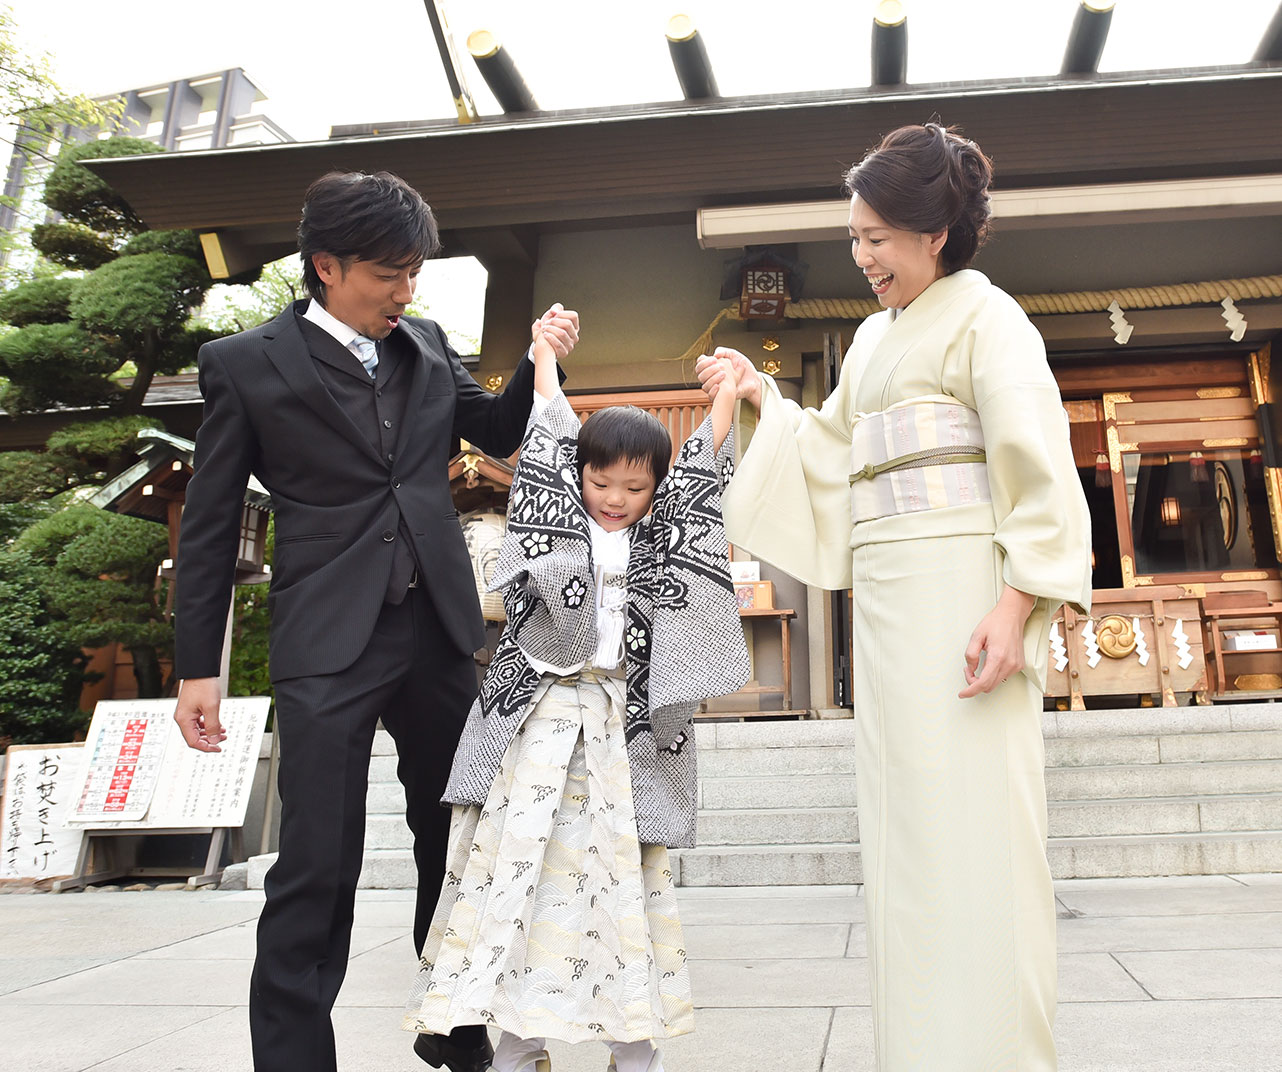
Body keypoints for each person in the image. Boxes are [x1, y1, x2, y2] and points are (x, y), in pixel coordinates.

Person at [696, 123, 1092, 1071]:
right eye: (855, 237)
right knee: (905, 834)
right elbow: (833, 452)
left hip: (963, 592)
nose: (862, 256)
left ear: (934, 233)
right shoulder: (874, 340)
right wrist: (760, 398)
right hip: (886, 599)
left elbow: (1038, 465)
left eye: (877, 237)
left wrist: (1016, 605)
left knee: (976, 827)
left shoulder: (989, 318)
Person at [171, 169, 580, 1072]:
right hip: (325, 636)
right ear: (326, 266)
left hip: (437, 627)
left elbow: (496, 430)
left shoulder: (425, 343)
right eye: (389, 273)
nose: (406, 290)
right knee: (317, 857)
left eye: (415, 272)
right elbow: (209, 523)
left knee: (460, 835)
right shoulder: (244, 364)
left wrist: (540, 359)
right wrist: (199, 665)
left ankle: (455, 1027)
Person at [403, 329, 750, 1072]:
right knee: (518, 867)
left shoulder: (667, 528)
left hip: (624, 724)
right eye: (601, 482)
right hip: (543, 716)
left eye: (635, 487)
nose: (616, 499)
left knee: (624, 876)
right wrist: (542, 357)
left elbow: (701, 467)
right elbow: (550, 422)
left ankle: (633, 1043)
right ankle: (519, 1040)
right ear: (577, 473)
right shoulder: (555, 514)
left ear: (656, 487)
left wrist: (724, 393)